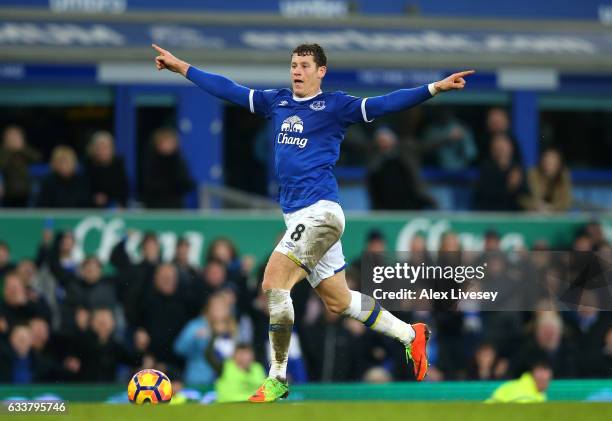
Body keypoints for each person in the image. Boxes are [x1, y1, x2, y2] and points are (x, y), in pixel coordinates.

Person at [152, 42, 473, 402]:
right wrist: (183, 68)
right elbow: (229, 89)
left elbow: (384, 104)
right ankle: (410, 335)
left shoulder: (336, 106)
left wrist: (434, 88)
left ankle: (277, 377)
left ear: (321, 71)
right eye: (293, 64)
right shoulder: (277, 102)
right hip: (297, 215)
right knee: (338, 301)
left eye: (305, 65)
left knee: (274, 282)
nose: (297, 71)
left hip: (321, 212)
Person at [141, 128, 195, 209]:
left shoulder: (179, 162)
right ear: (157, 144)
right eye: (164, 142)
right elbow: (148, 185)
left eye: (170, 142)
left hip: (175, 207)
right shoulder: (150, 161)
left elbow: (187, 183)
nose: (167, 146)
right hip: (154, 207)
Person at [473, 134, 527, 211]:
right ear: (491, 150)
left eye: (503, 147)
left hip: (515, 215)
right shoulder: (485, 168)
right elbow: (484, 198)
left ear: (511, 148)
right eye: (497, 148)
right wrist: (510, 187)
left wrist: (516, 187)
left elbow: (524, 196)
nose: (500, 150)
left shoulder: (518, 169)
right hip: (491, 215)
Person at [84, 131, 129, 208]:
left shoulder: (118, 164)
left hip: (115, 207)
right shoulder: (88, 164)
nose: (102, 151)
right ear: (94, 149)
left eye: (106, 147)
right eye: (99, 147)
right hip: (92, 208)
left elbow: (123, 188)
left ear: (112, 148)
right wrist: (93, 198)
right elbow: (84, 189)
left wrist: (120, 203)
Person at [0, 125, 41, 207]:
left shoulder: (25, 150)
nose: (13, 139)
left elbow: (37, 158)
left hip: (26, 190)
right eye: (11, 137)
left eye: (16, 136)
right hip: (8, 190)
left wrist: (21, 148)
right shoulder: (3, 152)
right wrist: (9, 150)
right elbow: (2, 164)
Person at [520, 148, 572, 212]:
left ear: (559, 163)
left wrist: (551, 208)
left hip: (555, 216)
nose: (548, 163)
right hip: (533, 215)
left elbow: (566, 202)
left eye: (553, 161)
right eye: (546, 159)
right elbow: (521, 198)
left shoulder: (563, 176)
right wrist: (535, 205)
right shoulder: (531, 175)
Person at [486, 361, 553, 403]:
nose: (545, 382)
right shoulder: (525, 398)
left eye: (547, 380)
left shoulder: (540, 396)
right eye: (541, 378)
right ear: (533, 375)